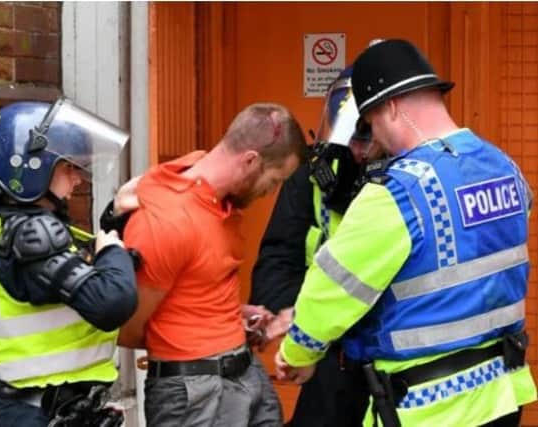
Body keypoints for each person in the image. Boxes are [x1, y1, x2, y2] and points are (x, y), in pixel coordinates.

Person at [275, 39, 536, 427]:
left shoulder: (397, 194)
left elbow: (331, 290)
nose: (374, 140)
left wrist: (297, 354)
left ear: (391, 106)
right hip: (501, 396)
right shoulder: (505, 169)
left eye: (372, 124)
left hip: (429, 408)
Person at [113, 103, 308, 427]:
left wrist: (228, 318)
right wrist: (202, 334)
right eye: (273, 181)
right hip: (195, 394)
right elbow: (127, 327)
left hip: (244, 374)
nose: (270, 193)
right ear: (249, 161)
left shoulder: (213, 193)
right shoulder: (166, 221)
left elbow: (189, 292)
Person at [0, 98, 139, 427]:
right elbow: (112, 303)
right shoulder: (29, 235)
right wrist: (112, 252)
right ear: (31, 167)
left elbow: (72, 268)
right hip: (38, 414)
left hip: (48, 410)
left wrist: (114, 220)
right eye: (68, 166)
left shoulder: (9, 229)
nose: (78, 179)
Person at [250, 66, 378, 427]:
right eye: (348, 137)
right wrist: (308, 319)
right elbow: (275, 267)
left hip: (395, 362)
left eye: (365, 139)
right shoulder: (314, 174)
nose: (355, 151)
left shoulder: (414, 178)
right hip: (328, 357)